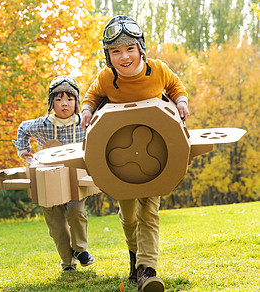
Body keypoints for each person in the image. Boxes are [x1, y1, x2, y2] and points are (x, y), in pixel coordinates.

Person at [81, 15, 189, 292]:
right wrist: (86, 111)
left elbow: (176, 87)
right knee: (128, 216)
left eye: (129, 49)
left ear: (140, 48)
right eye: (115, 51)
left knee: (149, 213)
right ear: (108, 55)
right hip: (119, 161)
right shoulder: (107, 78)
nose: (124, 56)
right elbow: (91, 96)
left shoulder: (158, 70)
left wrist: (182, 102)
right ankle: (135, 257)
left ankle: (147, 270)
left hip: (156, 156)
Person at [13, 75, 96, 272]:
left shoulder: (84, 124)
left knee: (77, 212)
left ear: (76, 102)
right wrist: (23, 150)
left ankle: (80, 250)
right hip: (47, 179)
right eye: (58, 100)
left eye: (69, 99)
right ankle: (67, 262)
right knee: (56, 225)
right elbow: (23, 128)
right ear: (51, 102)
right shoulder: (43, 124)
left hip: (75, 180)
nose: (64, 104)